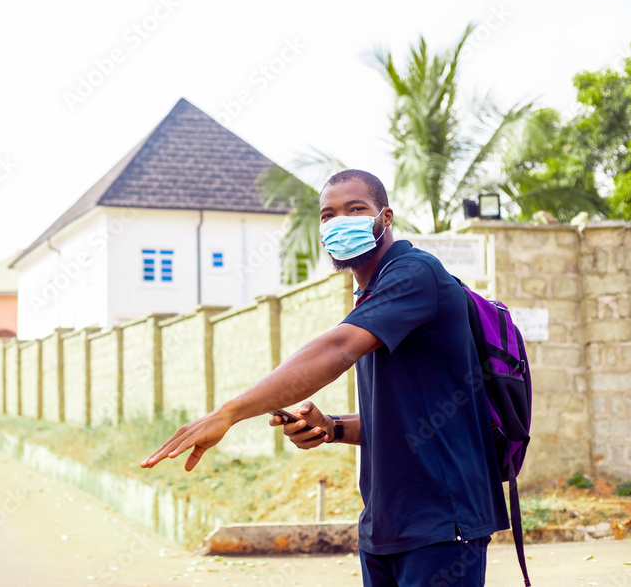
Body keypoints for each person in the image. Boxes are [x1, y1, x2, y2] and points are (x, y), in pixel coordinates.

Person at [142, 169, 508, 587]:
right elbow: (407, 421)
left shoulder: (415, 273)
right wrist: (333, 428)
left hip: (443, 523)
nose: (339, 222)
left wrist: (230, 412)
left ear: (385, 217)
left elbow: (337, 350)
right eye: (328, 215)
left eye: (356, 209)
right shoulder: (372, 295)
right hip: (385, 527)